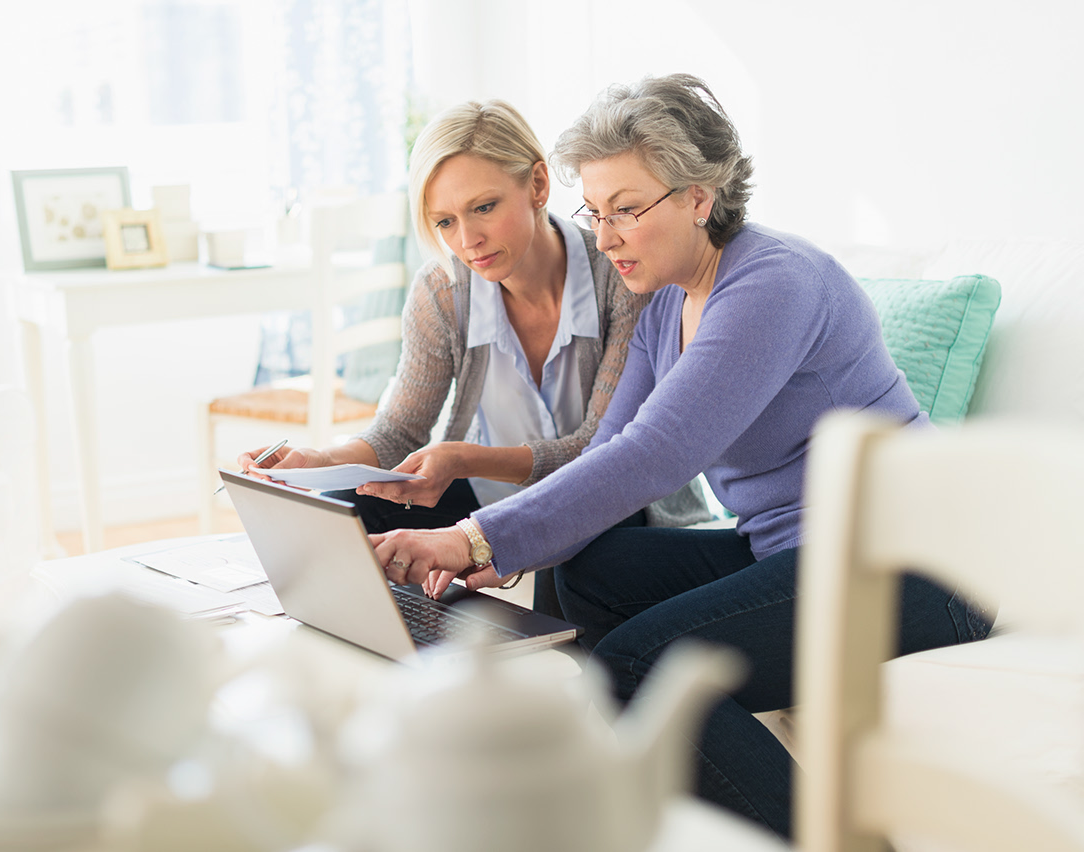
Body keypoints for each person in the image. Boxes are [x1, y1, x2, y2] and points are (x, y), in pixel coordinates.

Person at [367, 75, 992, 839]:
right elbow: (606, 453)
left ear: (700, 196)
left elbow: (658, 452)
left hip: (916, 562)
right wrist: (491, 552)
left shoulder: (774, 282)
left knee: (638, 664)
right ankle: (629, 794)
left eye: (626, 210)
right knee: (587, 569)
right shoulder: (666, 303)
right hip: (791, 547)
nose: (605, 237)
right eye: (596, 213)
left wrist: (474, 538)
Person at [239, 99, 707, 611]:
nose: (468, 240)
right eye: (444, 222)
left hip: (607, 504)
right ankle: (397, 652)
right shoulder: (443, 291)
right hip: (487, 498)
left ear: (537, 185)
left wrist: (463, 458)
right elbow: (400, 431)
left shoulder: (621, 274)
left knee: (573, 562)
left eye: (484, 207)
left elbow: (601, 452)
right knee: (347, 508)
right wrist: (320, 460)